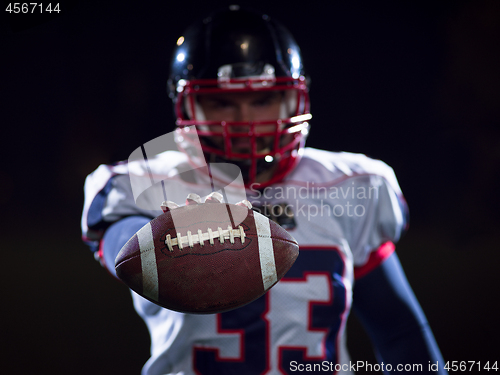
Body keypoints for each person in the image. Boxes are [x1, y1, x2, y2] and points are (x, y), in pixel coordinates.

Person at [81, 6, 447, 375]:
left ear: (295, 100)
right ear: (186, 105)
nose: (244, 122)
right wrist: (163, 240)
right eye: (221, 102)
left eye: (262, 100)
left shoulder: (348, 184)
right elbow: (123, 249)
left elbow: (399, 330)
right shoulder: (145, 183)